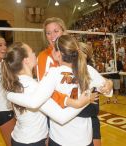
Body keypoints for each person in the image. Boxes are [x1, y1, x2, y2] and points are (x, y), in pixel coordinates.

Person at [8, 35, 113, 146]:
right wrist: (108, 84)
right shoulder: (88, 69)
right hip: (84, 138)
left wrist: (8, 94)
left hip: (60, 138)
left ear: (57, 54)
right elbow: (108, 92)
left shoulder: (53, 73)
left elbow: (35, 101)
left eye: (53, 48)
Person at [37, 17, 112, 146]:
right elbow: (44, 93)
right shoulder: (43, 57)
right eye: (48, 33)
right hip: (64, 112)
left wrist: (108, 83)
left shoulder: (75, 48)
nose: (52, 36)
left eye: (55, 31)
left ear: (63, 31)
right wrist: (72, 102)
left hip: (85, 112)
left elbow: (94, 76)